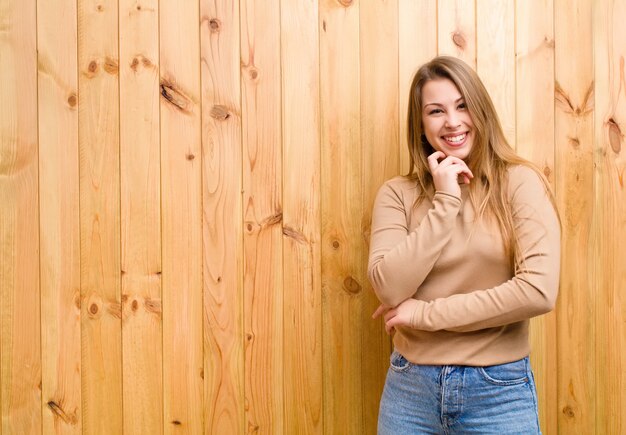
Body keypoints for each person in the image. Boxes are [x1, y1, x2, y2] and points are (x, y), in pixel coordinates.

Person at [368, 56, 560, 434]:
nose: (452, 121)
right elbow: (389, 286)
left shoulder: (520, 183)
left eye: (462, 105)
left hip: (499, 394)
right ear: (421, 125)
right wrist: (446, 201)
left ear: (480, 109)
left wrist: (423, 315)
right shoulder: (397, 194)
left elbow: (537, 291)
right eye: (436, 111)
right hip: (410, 392)